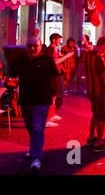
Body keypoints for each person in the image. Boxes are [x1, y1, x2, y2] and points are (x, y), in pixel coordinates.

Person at [8, 37, 59, 173]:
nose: (32, 48)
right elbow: (11, 74)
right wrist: (11, 80)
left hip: (42, 100)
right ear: (26, 47)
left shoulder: (47, 60)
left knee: (37, 128)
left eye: (35, 46)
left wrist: (55, 95)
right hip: (25, 100)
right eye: (30, 45)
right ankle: (34, 147)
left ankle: (36, 158)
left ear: (40, 46)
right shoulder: (20, 60)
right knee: (30, 127)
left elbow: (55, 77)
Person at [85, 36, 105, 152]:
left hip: (91, 90)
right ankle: (99, 142)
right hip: (100, 91)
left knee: (95, 113)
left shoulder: (89, 55)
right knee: (102, 116)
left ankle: (91, 136)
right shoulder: (98, 59)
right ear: (104, 44)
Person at [46, 33, 74, 127]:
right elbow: (55, 61)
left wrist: (62, 56)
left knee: (55, 96)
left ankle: (52, 115)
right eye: (58, 40)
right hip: (54, 74)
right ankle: (48, 119)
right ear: (53, 40)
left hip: (57, 73)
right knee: (53, 96)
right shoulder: (52, 48)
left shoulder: (54, 48)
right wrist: (67, 56)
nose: (59, 42)